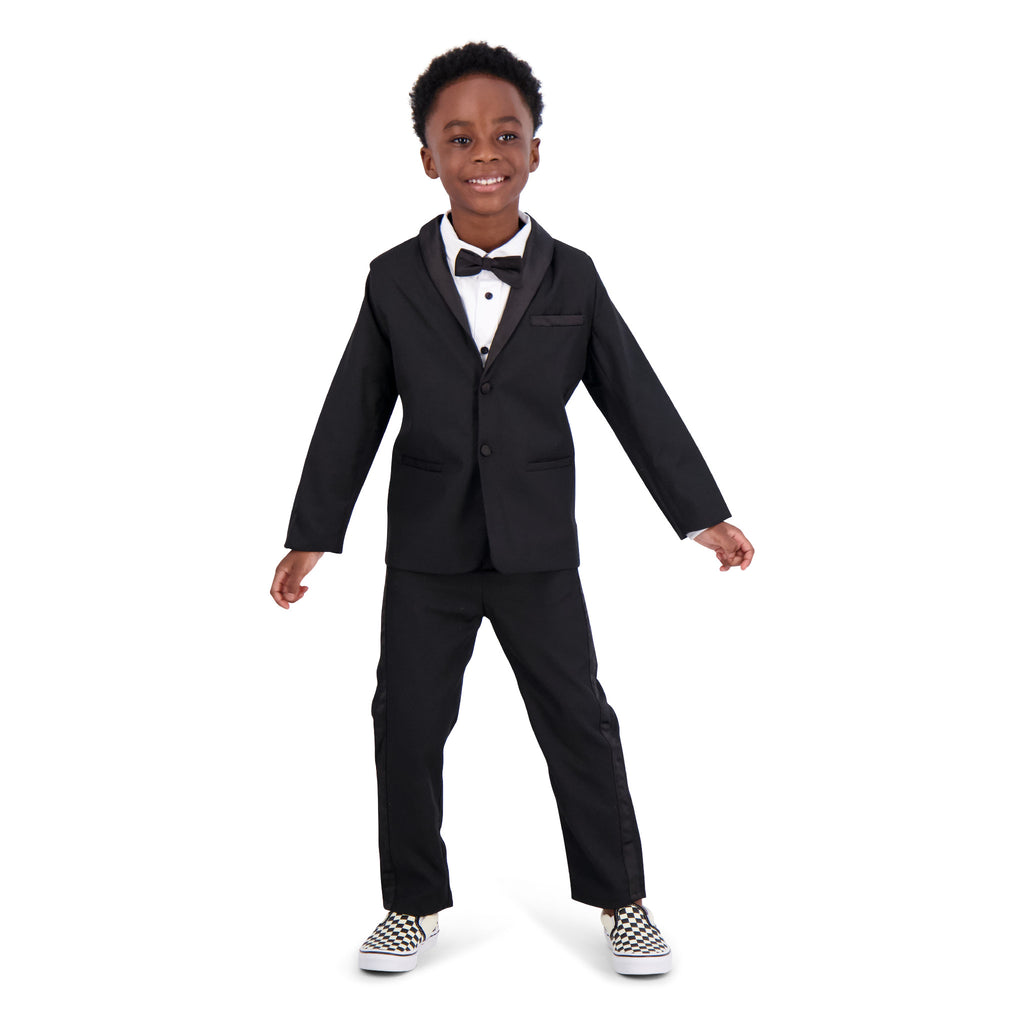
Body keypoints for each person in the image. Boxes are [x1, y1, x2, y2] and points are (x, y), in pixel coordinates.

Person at [270, 41, 754, 976]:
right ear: (427, 158)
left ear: (536, 149)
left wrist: (701, 514)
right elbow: (353, 408)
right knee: (406, 725)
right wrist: (311, 535)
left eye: (505, 134)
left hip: (537, 550)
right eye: (458, 138)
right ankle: (411, 904)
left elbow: (635, 396)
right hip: (427, 553)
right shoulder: (391, 277)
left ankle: (621, 899)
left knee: (579, 721)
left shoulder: (575, 275)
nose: (484, 152)